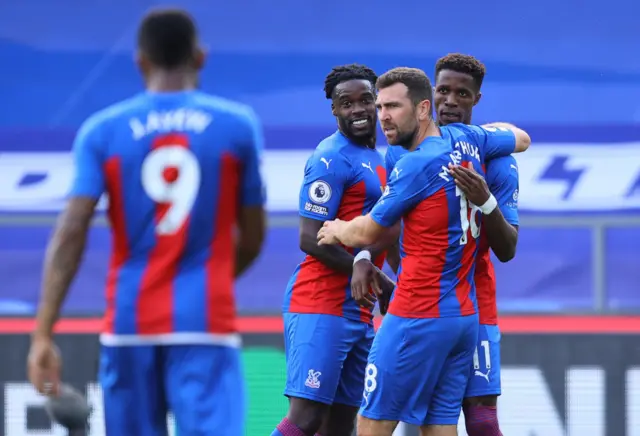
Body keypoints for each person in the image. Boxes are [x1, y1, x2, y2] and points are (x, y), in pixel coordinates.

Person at [27, 8, 266, 436]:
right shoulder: (236, 126)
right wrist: (209, 279)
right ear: (201, 57)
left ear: (140, 60)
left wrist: (43, 333)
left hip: (128, 324)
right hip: (205, 324)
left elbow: (71, 229)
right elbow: (252, 237)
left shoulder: (103, 131)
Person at [317, 67, 530, 436]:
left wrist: (337, 229)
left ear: (420, 109)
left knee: (372, 424)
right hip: (462, 316)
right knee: (439, 424)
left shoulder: (417, 163)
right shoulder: (469, 140)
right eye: (380, 106)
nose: (382, 116)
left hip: (418, 312)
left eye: (393, 107)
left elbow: (369, 228)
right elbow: (520, 137)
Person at [381, 54, 519, 435]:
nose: (451, 101)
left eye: (463, 93)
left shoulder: (498, 162)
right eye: (443, 90)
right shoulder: (401, 152)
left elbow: (507, 249)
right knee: (411, 413)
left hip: (476, 298)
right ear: (430, 95)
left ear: (477, 100)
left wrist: (485, 200)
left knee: (480, 415)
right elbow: (384, 225)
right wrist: (381, 266)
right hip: (423, 300)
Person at [272, 64, 397, 436]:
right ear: (334, 110)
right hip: (319, 303)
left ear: (377, 103)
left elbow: (382, 232)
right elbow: (309, 238)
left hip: (357, 310)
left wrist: (387, 278)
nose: (357, 110)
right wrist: (371, 272)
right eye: (347, 103)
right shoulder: (330, 158)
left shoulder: (382, 158)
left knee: (341, 426)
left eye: (365, 101)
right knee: (306, 418)